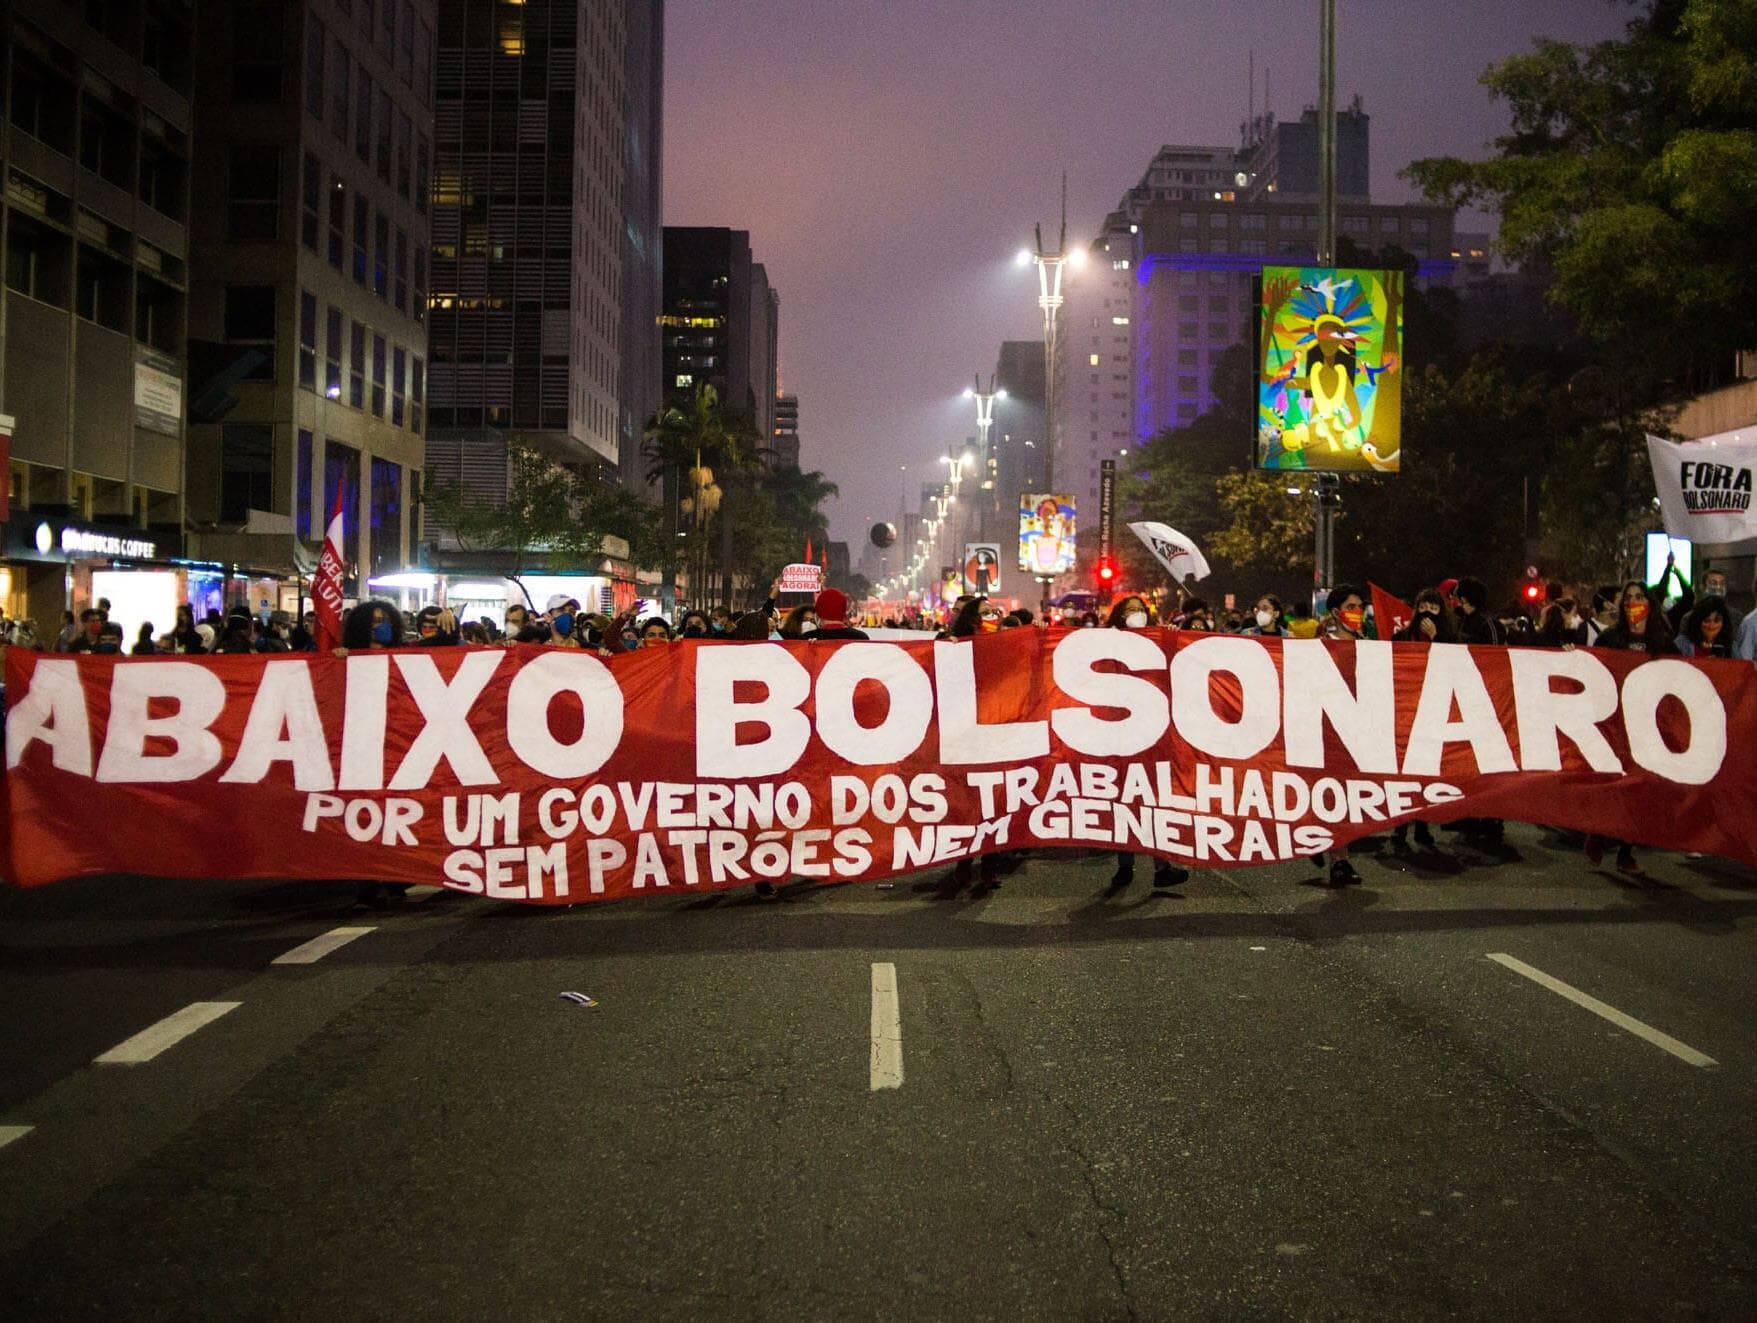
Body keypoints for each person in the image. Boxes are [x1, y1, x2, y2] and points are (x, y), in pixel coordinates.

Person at [1584, 581, 1678, 874]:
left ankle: (1626, 851)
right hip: (1617, 722)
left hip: (1649, 725)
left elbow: (1683, 674)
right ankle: (1599, 832)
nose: (1634, 602)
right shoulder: (1611, 638)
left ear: (1650, 603)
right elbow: (1590, 667)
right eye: (1628, 598)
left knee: (1643, 789)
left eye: (1640, 597)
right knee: (1616, 785)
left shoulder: (1663, 642)